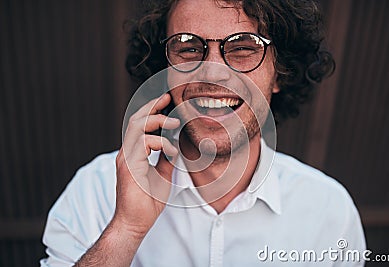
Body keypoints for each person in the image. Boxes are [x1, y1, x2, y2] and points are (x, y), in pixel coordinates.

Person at [41, 0, 366, 266]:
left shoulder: (329, 211)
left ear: (280, 74)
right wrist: (126, 229)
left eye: (242, 48)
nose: (213, 74)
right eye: (188, 48)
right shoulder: (94, 190)